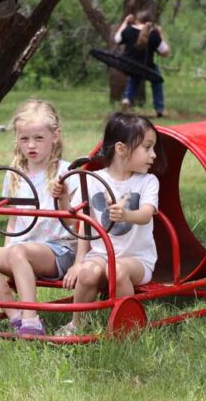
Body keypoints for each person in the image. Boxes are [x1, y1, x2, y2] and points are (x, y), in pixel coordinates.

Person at [0, 99, 77, 337]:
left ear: (55, 136)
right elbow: (13, 220)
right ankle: (16, 318)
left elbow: (78, 224)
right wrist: (7, 251)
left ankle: (32, 321)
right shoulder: (14, 175)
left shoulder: (67, 173)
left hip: (59, 251)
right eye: (24, 139)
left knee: (19, 251)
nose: (31, 145)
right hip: (24, 250)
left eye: (39, 138)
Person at [58, 113, 164, 337]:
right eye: (147, 147)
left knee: (117, 270)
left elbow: (146, 215)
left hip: (137, 259)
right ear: (121, 149)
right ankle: (77, 324)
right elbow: (77, 222)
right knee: (87, 273)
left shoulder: (148, 181)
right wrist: (63, 197)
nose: (153, 155)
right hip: (101, 255)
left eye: (153, 148)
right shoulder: (94, 179)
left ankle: (125, 325)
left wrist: (126, 215)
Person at [115, 8, 170, 118]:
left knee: (134, 76)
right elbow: (165, 52)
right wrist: (161, 34)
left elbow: (117, 39)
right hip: (146, 68)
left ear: (137, 20)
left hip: (129, 65)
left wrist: (125, 22)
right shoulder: (153, 34)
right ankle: (159, 108)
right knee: (157, 79)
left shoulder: (129, 30)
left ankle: (127, 99)